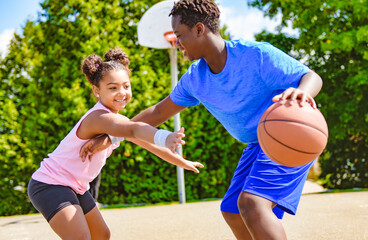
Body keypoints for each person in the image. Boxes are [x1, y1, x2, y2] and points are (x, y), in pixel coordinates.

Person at [79, 1, 323, 239]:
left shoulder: (256, 54)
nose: (176, 42)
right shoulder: (196, 79)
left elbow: (311, 76)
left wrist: (303, 92)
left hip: (290, 134)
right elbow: (157, 113)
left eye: (179, 35)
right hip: (258, 143)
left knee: (252, 204)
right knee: (232, 210)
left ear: (199, 29)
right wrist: (112, 136)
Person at [27, 47, 204, 240]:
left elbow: (146, 142)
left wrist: (181, 161)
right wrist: (165, 136)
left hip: (75, 186)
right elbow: (136, 129)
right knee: (81, 237)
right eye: (113, 88)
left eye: (126, 86)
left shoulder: (117, 121)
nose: (122, 93)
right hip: (50, 184)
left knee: (101, 235)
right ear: (97, 90)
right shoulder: (99, 117)